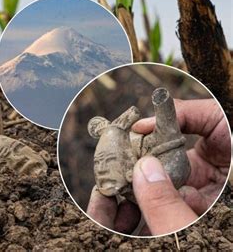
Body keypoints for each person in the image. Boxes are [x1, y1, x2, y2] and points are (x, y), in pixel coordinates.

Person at [86, 99, 231, 236]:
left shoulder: (143, 170)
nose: (102, 169)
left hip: (168, 161)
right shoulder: (130, 187)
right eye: (98, 163)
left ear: (130, 174)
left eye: (107, 161)